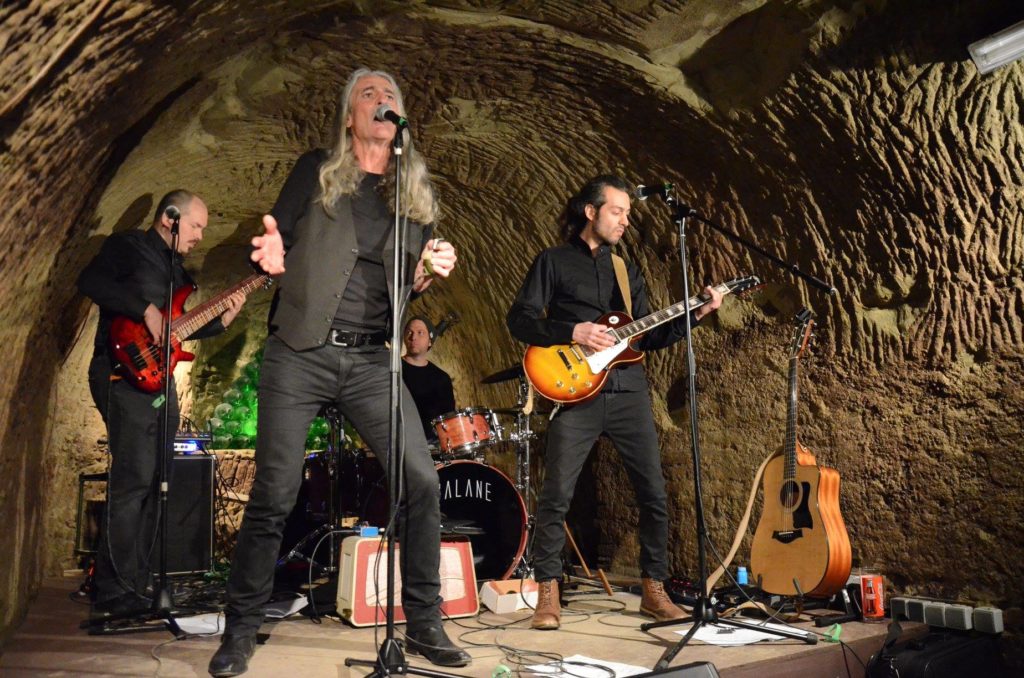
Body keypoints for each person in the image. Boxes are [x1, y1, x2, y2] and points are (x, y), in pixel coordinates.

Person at [208, 68, 469, 677]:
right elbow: (275, 240)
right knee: (275, 492)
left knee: (421, 481)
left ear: (401, 119)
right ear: (350, 117)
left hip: (372, 360)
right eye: (368, 94)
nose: (382, 101)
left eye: (391, 95)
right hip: (300, 351)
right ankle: (240, 628)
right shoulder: (315, 170)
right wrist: (270, 254)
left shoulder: (415, 200)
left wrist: (429, 271)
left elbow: (409, 287)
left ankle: (424, 621)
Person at [506, 174, 724, 630]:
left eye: (627, 213)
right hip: (575, 393)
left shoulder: (626, 270)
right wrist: (573, 331)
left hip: (628, 392)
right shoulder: (553, 261)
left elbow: (650, 336)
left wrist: (699, 312)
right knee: (556, 495)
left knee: (654, 494)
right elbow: (520, 320)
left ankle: (654, 589)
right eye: (617, 211)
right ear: (591, 212)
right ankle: (547, 592)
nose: (625, 221)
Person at [78, 190, 247, 617]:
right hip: (121, 373)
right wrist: (144, 309)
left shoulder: (177, 272)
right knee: (134, 478)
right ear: (170, 217)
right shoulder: (128, 246)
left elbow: (176, 331)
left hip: (158, 382)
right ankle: (113, 589)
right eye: (196, 226)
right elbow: (90, 282)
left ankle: (138, 581)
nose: (200, 236)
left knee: (159, 482)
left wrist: (220, 322)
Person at [401, 315, 455, 444]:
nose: (413, 337)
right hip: (398, 441)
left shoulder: (441, 378)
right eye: (409, 332)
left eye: (420, 333)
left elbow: (449, 419)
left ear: (430, 341)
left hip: (431, 445)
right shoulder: (393, 370)